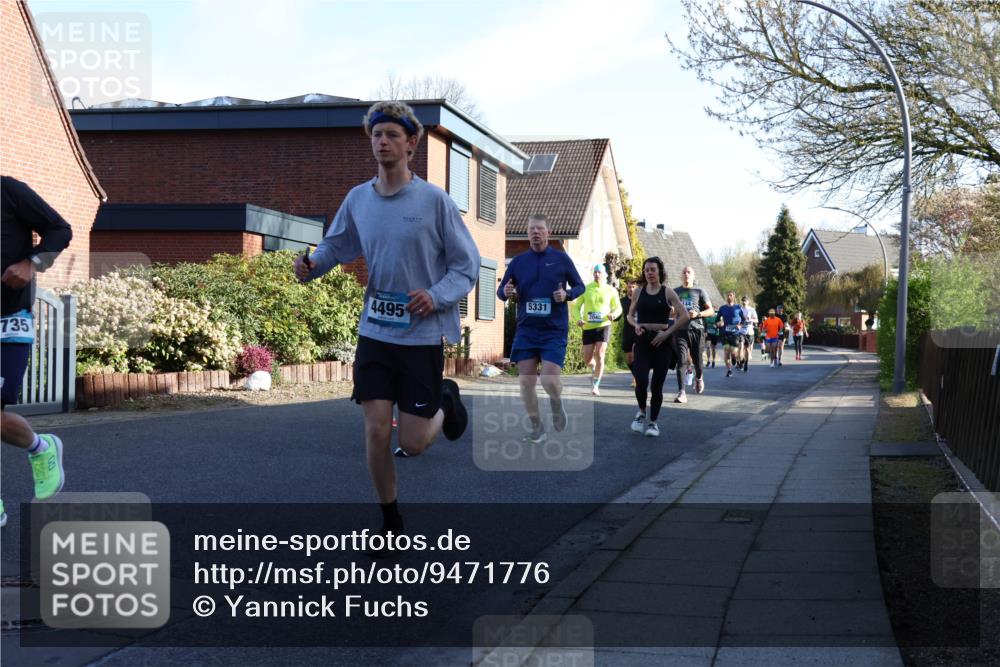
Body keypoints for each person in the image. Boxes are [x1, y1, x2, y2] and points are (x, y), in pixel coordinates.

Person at [295, 101, 477, 539]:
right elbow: (336, 246)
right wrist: (312, 265)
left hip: (421, 337)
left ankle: (445, 401)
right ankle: (390, 521)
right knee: (377, 431)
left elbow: (466, 265)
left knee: (412, 442)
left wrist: (434, 296)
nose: (383, 141)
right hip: (375, 332)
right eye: (377, 134)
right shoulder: (359, 199)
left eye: (393, 135)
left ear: (411, 144)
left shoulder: (434, 201)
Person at [1, 176, 74, 528]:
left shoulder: (8, 191)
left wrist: (32, 264)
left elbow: (60, 229)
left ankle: (40, 448)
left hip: (9, 321)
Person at [498, 215, 585, 443]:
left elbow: (580, 286)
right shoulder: (518, 262)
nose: (535, 232)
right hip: (527, 330)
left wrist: (567, 294)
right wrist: (505, 292)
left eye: (540, 229)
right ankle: (537, 427)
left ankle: (556, 404)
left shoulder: (561, 259)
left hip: (553, 330)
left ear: (548, 232)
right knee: (526, 383)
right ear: (527, 233)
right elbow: (501, 290)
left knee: (548, 380)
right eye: (532, 229)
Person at [626, 258, 690, 437]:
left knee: (656, 386)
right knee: (641, 380)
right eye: (646, 270)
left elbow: (684, 316)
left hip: (663, 342)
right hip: (643, 339)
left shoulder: (667, 292)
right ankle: (641, 412)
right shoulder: (638, 291)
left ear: (660, 271)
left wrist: (667, 332)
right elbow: (630, 316)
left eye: (653, 269)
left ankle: (653, 423)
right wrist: (636, 325)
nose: (649, 273)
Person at [573, 264, 622, 396]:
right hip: (588, 327)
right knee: (587, 359)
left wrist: (613, 315)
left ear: (604, 274)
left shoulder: (611, 290)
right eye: (595, 272)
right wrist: (578, 319)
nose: (597, 274)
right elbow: (576, 307)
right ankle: (594, 366)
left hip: (603, 325)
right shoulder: (586, 289)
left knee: (600, 354)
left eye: (599, 272)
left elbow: (618, 308)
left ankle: (596, 385)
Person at [672, 266, 714, 403]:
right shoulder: (675, 292)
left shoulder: (700, 291)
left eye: (689, 272)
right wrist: (673, 311)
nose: (686, 274)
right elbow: (670, 312)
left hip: (697, 329)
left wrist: (698, 314)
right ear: (681, 276)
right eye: (684, 272)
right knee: (682, 360)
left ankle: (699, 377)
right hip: (680, 330)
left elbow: (711, 311)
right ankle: (682, 392)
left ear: (693, 276)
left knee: (698, 361)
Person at [716, 291, 746, 378]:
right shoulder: (722, 308)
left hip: (735, 333)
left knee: (733, 352)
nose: (729, 297)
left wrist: (740, 325)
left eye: (731, 295)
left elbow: (743, 319)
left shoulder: (738, 308)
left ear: (734, 297)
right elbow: (717, 320)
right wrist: (719, 323)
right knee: (726, 352)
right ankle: (729, 370)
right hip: (725, 333)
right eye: (728, 295)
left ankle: (735, 358)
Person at [619, 278, 639, 385]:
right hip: (627, 331)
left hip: (639, 331)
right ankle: (637, 376)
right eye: (629, 287)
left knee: (637, 354)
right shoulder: (622, 301)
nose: (631, 289)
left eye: (633, 287)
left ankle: (638, 378)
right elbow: (617, 315)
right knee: (630, 358)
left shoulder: (641, 300)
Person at [740, 295, 758, 369]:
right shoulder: (740, 310)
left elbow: (756, 320)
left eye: (745, 301)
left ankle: (745, 363)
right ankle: (741, 360)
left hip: (749, 331)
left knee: (747, 349)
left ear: (748, 302)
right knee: (741, 346)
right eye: (743, 301)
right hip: (741, 331)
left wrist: (750, 319)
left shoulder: (751, 310)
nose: (744, 302)